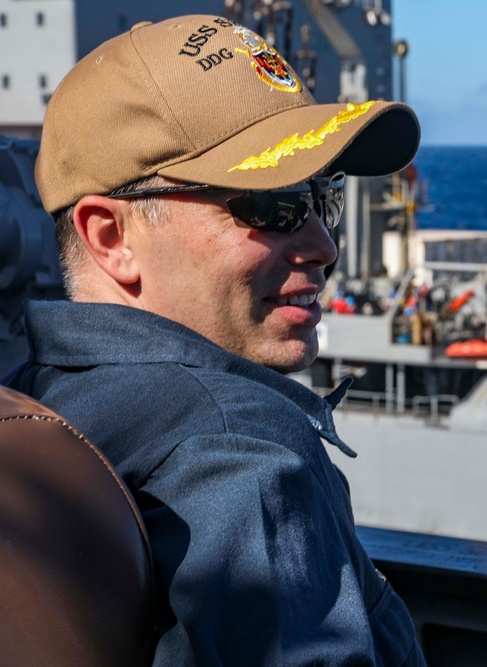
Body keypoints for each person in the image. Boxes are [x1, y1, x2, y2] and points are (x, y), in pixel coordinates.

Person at [3, 15, 423, 666]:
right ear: (112, 239)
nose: (324, 245)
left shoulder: (41, 400)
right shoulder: (245, 453)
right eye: (274, 202)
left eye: (324, 195)